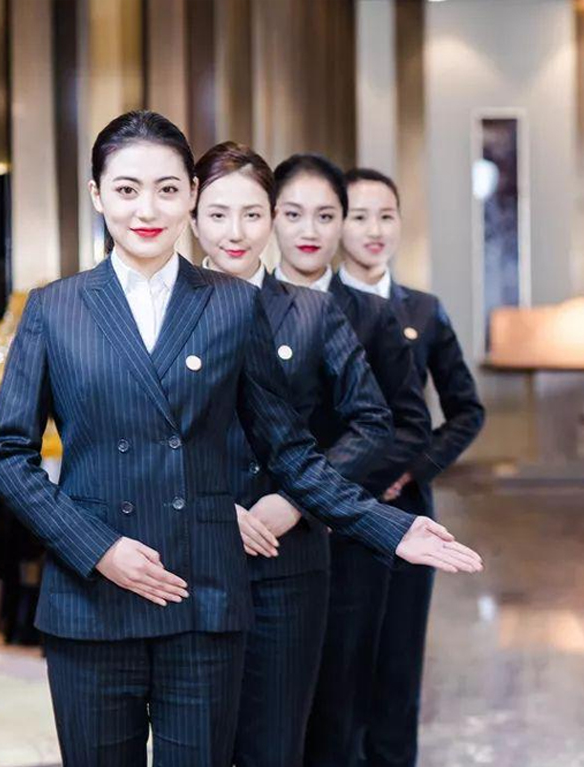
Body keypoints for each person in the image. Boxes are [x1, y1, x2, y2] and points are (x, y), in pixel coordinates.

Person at [0, 111, 481, 767]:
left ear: (189, 195)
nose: (146, 210)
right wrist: (96, 548)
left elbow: (290, 452)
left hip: (205, 599)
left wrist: (387, 526)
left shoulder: (231, 305)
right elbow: (6, 452)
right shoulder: (55, 307)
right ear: (98, 195)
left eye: (166, 189)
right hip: (92, 599)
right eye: (126, 189)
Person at [191, 140, 391, 767]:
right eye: (218, 214)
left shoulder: (311, 311)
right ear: (192, 215)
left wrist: (297, 500)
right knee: (194, 743)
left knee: (275, 745)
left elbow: (372, 420)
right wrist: (210, 506)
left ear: (272, 218)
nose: (235, 232)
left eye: (252, 214)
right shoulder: (163, 308)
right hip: (188, 553)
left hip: (287, 562)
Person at [266, 154, 434, 767]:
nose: (309, 231)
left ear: (341, 222)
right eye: (293, 214)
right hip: (259, 533)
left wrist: (325, 494)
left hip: (348, 537)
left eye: (326, 215)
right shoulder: (242, 305)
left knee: (342, 703)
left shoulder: (372, 315)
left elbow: (409, 423)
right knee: (267, 709)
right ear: (270, 218)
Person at [332, 167, 486, 766]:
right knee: (338, 675)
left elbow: (466, 409)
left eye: (386, 216)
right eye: (359, 216)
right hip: (331, 516)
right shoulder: (316, 305)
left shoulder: (423, 308)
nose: (374, 230)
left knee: (398, 670)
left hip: (406, 513)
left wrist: (415, 469)